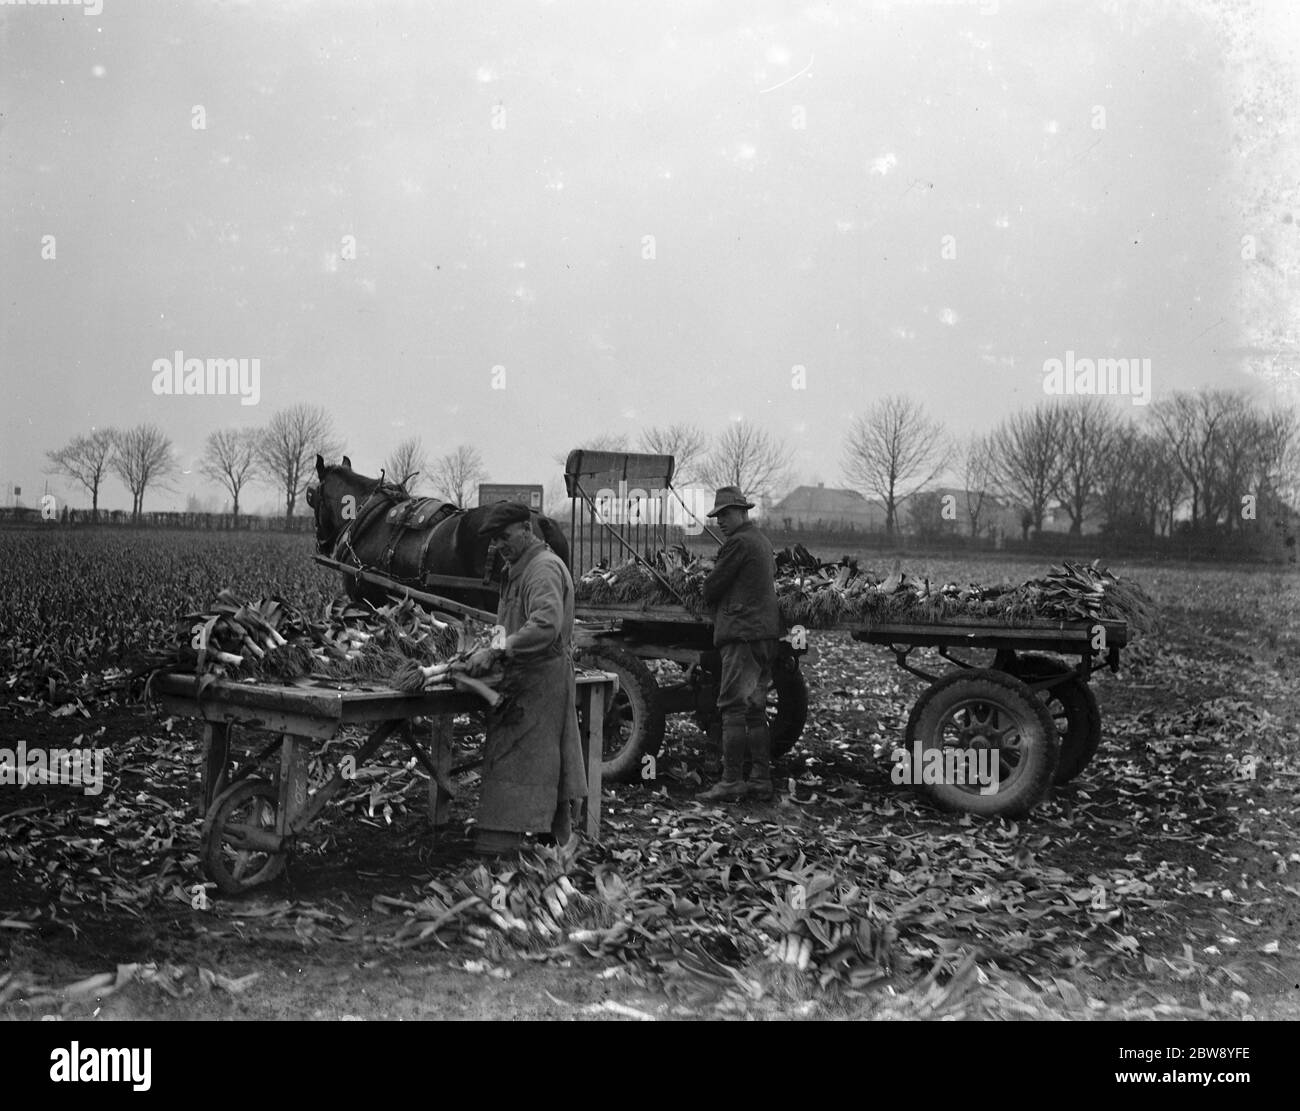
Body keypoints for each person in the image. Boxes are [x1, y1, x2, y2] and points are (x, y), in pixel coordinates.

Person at [463, 501, 587, 855]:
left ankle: (509, 840)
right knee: (530, 761)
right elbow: (512, 623)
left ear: (525, 529)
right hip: (523, 677)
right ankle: (528, 836)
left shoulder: (542, 569)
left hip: (540, 680)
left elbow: (545, 625)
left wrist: (499, 651)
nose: (498, 545)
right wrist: (487, 647)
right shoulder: (518, 568)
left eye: (504, 537)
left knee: (528, 761)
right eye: (494, 540)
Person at [696, 486, 781, 802]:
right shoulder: (761, 541)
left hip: (742, 636)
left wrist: (708, 581)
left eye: (725, 514)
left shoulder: (738, 543)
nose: (720, 521)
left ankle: (731, 781)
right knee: (756, 709)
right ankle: (760, 778)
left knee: (732, 707)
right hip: (765, 636)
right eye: (718, 516)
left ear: (741, 512)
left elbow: (712, 588)